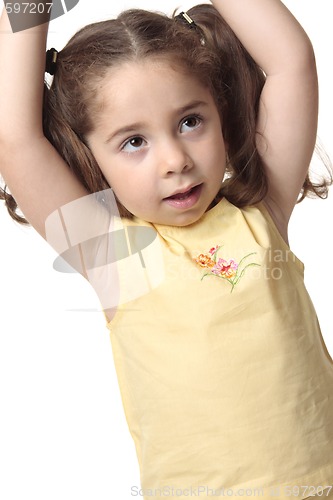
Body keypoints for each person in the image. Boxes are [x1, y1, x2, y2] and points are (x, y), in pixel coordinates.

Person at [0, 1, 332, 499]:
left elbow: (291, 61)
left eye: (190, 121)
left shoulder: (262, 216)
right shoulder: (114, 257)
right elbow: (17, 139)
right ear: (87, 156)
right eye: (134, 142)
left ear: (220, 112)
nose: (176, 160)